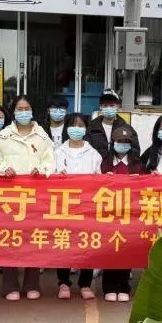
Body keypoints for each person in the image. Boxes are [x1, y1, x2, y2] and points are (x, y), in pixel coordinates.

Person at [0, 95, 55, 301]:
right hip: (9, 196)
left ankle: (32, 284)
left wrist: (41, 169)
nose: (24, 112)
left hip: (35, 196)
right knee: (10, 240)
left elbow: (51, 160)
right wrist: (2, 169)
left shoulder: (42, 136)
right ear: (13, 111)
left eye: (27, 108)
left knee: (33, 239)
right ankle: (10, 286)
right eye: (20, 109)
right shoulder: (3, 137)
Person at [54, 113, 102, 300]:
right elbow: (49, 177)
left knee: (86, 244)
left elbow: (99, 179)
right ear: (66, 128)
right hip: (64, 206)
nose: (77, 129)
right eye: (73, 125)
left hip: (87, 207)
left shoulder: (93, 154)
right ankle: (64, 282)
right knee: (64, 243)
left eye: (81, 125)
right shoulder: (58, 152)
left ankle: (85, 283)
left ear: (86, 129)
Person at [100, 125, 145, 302]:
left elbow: (147, 188)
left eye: (126, 142)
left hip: (129, 214)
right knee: (109, 250)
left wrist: (139, 181)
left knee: (126, 249)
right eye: (120, 141)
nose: (123, 144)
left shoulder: (137, 165)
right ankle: (109, 286)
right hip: (109, 214)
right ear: (113, 143)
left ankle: (123, 286)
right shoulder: (105, 163)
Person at [86, 89, 140, 160]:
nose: (108, 108)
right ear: (100, 107)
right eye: (105, 105)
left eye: (112, 105)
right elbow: (85, 151)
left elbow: (135, 152)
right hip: (97, 166)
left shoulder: (127, 129)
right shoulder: (91, 128)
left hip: (118, 166)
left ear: (118, 106)